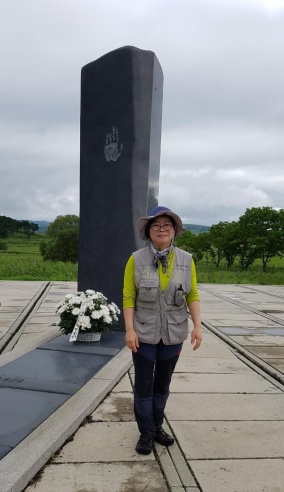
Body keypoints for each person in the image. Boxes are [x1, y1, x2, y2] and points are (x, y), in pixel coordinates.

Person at [123, 205, 202, 455]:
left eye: (167, 226)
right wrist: (129, 331)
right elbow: (128, 296)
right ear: (148, 232)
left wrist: (198, 326)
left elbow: (193, 293)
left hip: (174, 334)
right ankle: (145, 433)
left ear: (174, 231)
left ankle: (157, 426)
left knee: (162, 385)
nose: (161, 229)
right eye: (156, 226)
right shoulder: (136, 259)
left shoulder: (187, 259)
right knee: (144, 386)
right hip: (144, 333)